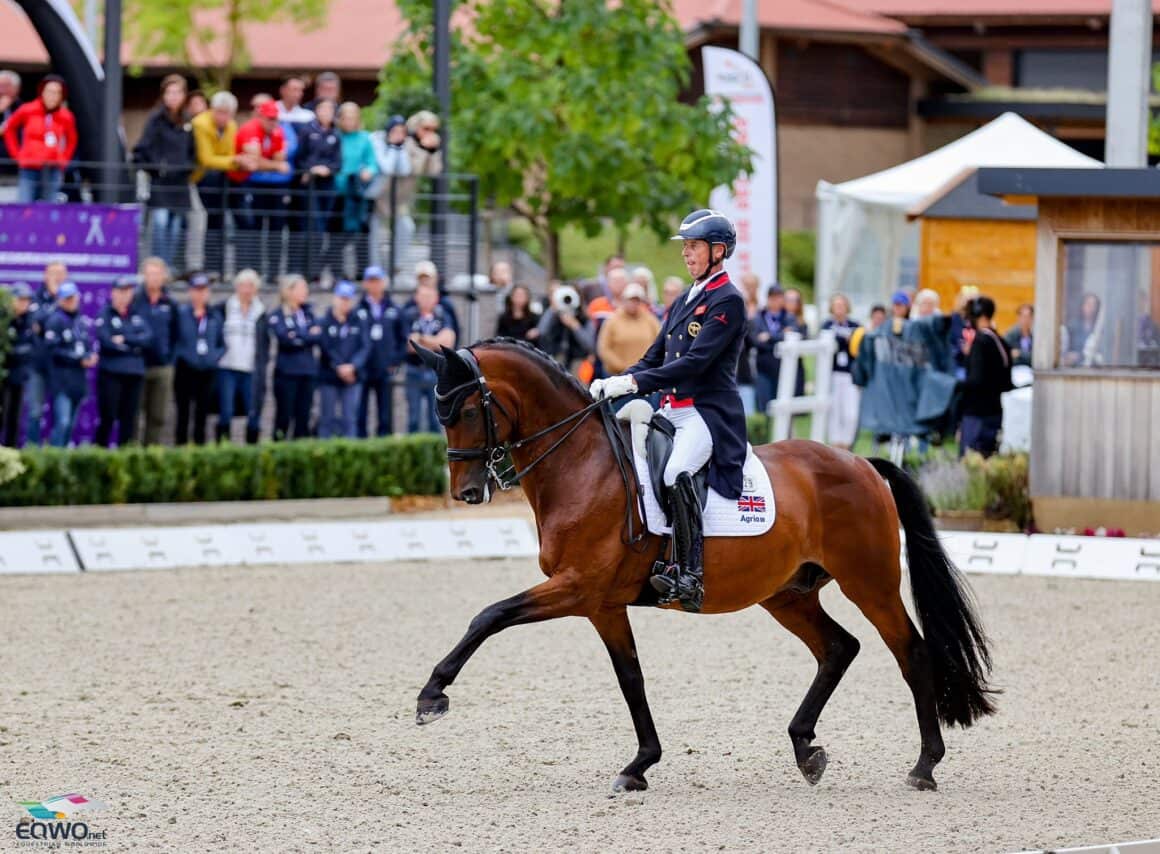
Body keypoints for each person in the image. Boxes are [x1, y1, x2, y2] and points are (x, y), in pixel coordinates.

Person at [590, 209, 748, 613]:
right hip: (669, 408)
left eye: (694, 247)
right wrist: (617, 381)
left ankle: (690, 573)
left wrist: (637, 384)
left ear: (717, 251)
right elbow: (655, 355)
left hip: (706, 412)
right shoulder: (686, 298)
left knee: (677, 472)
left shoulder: (727, 300)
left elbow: (696, 362)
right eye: (686, 248)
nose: (687, 254)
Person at [132, 74, 196, 270]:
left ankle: (168, 267)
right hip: (160, 183)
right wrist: (157, 168)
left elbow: (193, 152)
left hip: (180, 184)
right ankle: (156, 267)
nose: (173, 97)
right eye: (169, 92)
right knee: (159, 223)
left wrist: (186, 168)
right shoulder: (156, 119)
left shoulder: (187, 121)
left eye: (178, 92)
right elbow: (142, 149)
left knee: (176, 228)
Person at [228, 98, 291, 275]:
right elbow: (255, 163)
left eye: (275, 118)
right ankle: (248, 271)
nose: (273, 122)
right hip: (243, 182)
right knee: (250, 226)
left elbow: (281, 157)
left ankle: (272, 273)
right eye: (269, 118)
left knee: (275, 228)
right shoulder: (250, 129)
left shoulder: (277, 131)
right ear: (260, 117)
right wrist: (275, 165)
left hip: (268, 186)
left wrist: (271, 163)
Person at [94, 276, 153, 447]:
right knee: (108, 417)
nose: (124, 295)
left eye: (128, 291)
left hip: (134, 373)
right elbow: (106, 342)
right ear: (113, 293)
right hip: (111, 373)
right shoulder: (105, 313)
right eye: (121, 291)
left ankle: (124, 456)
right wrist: (134, 345)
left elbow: (148, 340)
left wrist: (125, 339)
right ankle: (99, 454)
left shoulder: (137, 314)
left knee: (129, 418)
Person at [191, 91, 244, 276]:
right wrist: (235, 161)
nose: (224, 117)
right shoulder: (200, 123)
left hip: (223, 179)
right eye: (220, 112)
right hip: (202, 178)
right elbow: (206, 159)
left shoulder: (231, 126)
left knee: (221, 221)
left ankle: (219, 267)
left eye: (228, 113)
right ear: (212, 109)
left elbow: (229, 152)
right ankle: (209, 266)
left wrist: (232, 161)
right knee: (211, 219)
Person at [4, 75, 77, 203]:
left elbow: (72, 139)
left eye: (57, 93)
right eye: (49, 91)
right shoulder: (27, 110)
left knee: (51, 205)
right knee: (24, 203)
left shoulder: (66, 116)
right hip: (29, 166)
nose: (53, 96)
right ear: (42, 92)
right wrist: (16, 154)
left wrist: (64, 159)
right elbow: (9, 129)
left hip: (53, 167)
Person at [172, 273, 225, 445]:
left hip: (207, 370)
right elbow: (173, 339)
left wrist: (213, 358)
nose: (200, 294)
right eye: (197, 290)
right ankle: (180, 449)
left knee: (202, 414)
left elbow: (222, 343)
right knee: (183, 413)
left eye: (204, 290)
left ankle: (199, 449)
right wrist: (182, 355)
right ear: (190, 292)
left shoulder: (215, 316)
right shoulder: (181, 314)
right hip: (185, 368)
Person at [43, 282, 96, 447]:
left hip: (78, 381)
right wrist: (76, 358)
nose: (71, 301)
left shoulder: (81, 322)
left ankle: (62, 460)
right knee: (63, 422)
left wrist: (90, 357)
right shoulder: (55, 320)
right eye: (67, 299)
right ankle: (54, 458)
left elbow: (86, 346)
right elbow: (52, 350)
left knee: (71, 425)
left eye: (73, 298)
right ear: (60, 300)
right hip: (62, 381)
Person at [268, 275, 320, 440]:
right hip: (287, 374)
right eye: (302, 288)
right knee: (283, 418)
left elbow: (318, 336)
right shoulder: (277, 314)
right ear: (288, 291)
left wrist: (298, 336)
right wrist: (306, 336)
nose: (306, 292)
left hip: (308, 374)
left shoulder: (309, 313)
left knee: (303, 419)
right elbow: (285, 338)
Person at [217, 268, 266, 443]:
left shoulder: (261, 311)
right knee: (226, 412)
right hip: (227, 368)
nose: (246, 290)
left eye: (251, 286)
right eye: (243, 285)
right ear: (236, 287)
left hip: (250, 369)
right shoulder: (224, 308)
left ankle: (252, 453)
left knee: (253, 413)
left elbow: (264, 343)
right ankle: (222, 450)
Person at [959, 295, 1012, 458]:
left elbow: (976, 379)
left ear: (980, 317)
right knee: (988, 459)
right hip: (995, 409)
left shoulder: (980, 342)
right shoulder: (1001, 340)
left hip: (977, 412)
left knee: (970, 461)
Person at [295, 99, 342, 280]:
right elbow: (300, 157)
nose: (326, 113)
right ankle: (307, 270)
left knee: (322, 228)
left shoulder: (335, 134)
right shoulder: (307, 131)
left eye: (330, 109)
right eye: (323, 109)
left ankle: (315, 271)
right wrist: (311, 169)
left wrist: (327, 169)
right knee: (312, 226)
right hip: (310, 185)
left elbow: (338, 162)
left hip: (327, 185)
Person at [329, 102, 377, 279]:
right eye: (346, 118)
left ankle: (361, 271)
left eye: (352, 118)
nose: (349, 121)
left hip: (357, 193)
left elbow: (372, 163)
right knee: (337, 235)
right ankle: (337, 272)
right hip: (337, 192)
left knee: (360, 233)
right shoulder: (335, 136)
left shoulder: (365, 138)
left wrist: (368, 171)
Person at [133, 258, 178, 444]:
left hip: (162, 368)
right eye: (150, 274)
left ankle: (151, 456)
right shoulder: (134, 300)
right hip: (137, 366)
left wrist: (170, 361)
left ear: (164, 277)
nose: (154, 278)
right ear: (143, 276)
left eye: (157, 274)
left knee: (158, 417)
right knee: (134, 415)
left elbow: (176, 334)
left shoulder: (171, 303)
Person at [356, 266, 405, 437]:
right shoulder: (358, 309)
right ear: (365, 283)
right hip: (363, 368)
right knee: (359, 411)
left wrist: (395, 361)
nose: (374, 285)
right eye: (370, 281)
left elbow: (403, 338)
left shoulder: (394, 309)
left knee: (385, 413)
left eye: (377, 280)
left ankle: (384, 444)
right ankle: (360, 444)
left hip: (385, 368)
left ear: (384, 282)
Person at [317, 281, 370, 438]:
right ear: (335, 298)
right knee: (327, 418)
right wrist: (339, 367)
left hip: (353, 377)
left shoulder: (359, 320)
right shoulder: (325, 320)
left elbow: (365, 346)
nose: (344, 302)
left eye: (347, 299)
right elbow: (326, 347)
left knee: (350, 419)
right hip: (329, 376)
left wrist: (353, 366)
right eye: (341, 298)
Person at [23, 261, 68, 445]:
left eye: (61, 273)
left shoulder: (70, 299)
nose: (57, 277)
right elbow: (36, 322)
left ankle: (57, 458)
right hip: (37, 366)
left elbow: (69, 327)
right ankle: (33, 454)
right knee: (34, 412)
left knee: (63, 418)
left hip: (61, 367)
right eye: (53, 273)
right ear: (45, 275)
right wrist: (56, 303)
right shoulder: (35, 298)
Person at [403, 277, 455, 433]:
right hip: (413, 371)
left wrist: (421, 338)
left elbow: (447, 343)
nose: (426, 300)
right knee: (413, 418)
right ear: (416, 297)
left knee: (435, 419)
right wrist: (434, 341)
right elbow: (409, 346)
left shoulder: (443, 315)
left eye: (429, 296)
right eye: (422, 296)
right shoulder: (408, 315)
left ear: (437, 298)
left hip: (436, 372)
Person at [369, 115, 414, 273]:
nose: (398, 135)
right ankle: (374, 268)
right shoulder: (376, 141)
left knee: (406, 227)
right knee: (373, 232)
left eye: (402, 132)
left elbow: (405, 170)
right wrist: (395, 147)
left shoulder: (401, 146)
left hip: (393, 199)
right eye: (395, 131)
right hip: (373, 196)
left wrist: (398, 147)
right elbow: (386, 167)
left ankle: (394, 266)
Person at [821, 293, 862, 450]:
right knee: (834, 411)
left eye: (842, 305)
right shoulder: (827, 325)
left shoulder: (855, 325)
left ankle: (847, 444)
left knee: (850, 413)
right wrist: (843, 339)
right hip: (832, 373)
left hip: (850, 374)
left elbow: (857, 345)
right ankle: (835, 445)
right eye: (836, 305)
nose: (839, 309)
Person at [595, 282, 661, 376]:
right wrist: (622, 367)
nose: (633, 304)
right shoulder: (612, 320)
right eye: (630, 300)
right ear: (623, 300)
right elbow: (604, 348)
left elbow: (659, 344)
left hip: (645, 374)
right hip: (617, 374)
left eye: (637, 300)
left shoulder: (651, 320)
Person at [1, 283, 35, 446]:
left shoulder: (29, 320)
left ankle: (11, 457)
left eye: (26, 300)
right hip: (4, 377)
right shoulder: (3, 319)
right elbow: (6, 350)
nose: (23, 303)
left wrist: (17, 351)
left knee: (15, 420)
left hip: (20, 377)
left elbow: (33, 348)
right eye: (20, 299)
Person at [750, 285, 788, 412]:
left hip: (783, 366)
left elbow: (790, 336)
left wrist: (770, 336)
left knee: (783, 402)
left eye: (779, 297)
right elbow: (756, 340)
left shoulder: (788, 317)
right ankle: (766, 430)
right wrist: (779, 337)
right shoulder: (759, 316)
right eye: (773, 297)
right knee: (764, 403)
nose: (776, 301)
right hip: (763, 367)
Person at [1064, 293, 1102, 367]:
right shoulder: (1072, 327)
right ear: (1082, 306)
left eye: (1094, 305)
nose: (1091, 308)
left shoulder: (1099, 329)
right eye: (1088, 304)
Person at [0, 70, 23, 174]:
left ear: (16, 88)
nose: (1, 90)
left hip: (14, 164)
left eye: (5, 86)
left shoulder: (23, 108)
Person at [1004, 303, 1034, 368]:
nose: (1026, 320)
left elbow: (1035, 357)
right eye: (1023, 316)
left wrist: (1019, 353)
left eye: (1029, 317)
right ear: (1018, 317)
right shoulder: (1011, 334)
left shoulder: (1034, 336)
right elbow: (1007, 354)